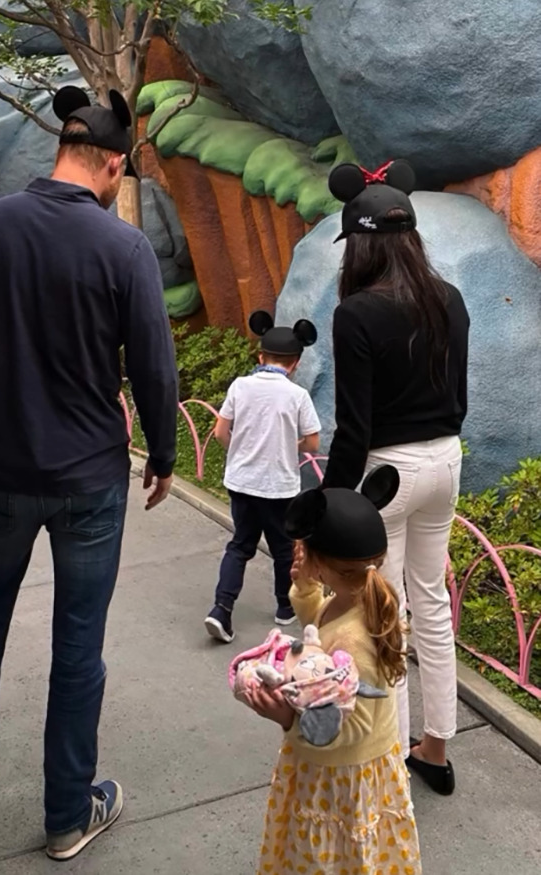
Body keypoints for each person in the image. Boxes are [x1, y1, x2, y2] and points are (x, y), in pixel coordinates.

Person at [0, 85, 179, 861]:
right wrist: (164, 455)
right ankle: (68, 814)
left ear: (60, 149)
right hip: (90, 481)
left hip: (0, 471)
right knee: (78, 646)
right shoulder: (122, 247)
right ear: (110, 164)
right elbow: (155, 370)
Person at [320, 159, 470, 795]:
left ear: (359, 243)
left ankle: (386, 763)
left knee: (387, 616)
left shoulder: (356, 314)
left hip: (386, 474)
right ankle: (434, 748)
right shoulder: (449, 298)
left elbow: (353, 429)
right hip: (445, 462)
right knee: (431, 605)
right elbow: (458, 398)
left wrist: (326, 503)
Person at [247, 466, 422, 875]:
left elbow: (349, 726)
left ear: (322, 562)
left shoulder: (353, 642)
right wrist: (307, 586)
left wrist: (287, 717)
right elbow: (317, 627)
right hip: (359, 769)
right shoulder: (362, 601)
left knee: (334, 857)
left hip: (339, 778)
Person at [205, 310, 321, 643]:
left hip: (241, 482)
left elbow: (220, 432)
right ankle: (285, 608)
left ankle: (221, 610)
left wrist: (238, 452)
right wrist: (288, 444)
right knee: (284, 549)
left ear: (260, 356)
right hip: (279, 486)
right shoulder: (297, 395)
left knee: (240, 545)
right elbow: (312, 441)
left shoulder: (241, 386)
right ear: (295, 363)